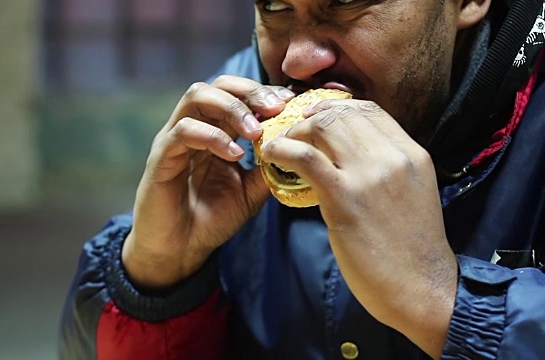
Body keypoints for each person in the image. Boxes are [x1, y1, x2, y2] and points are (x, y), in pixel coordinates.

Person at [59, 0, 545, 358]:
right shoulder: (237, 108)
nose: (297, 62)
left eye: (347, 3)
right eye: (274, 6)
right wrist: (155, 277)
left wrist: (443, 302)